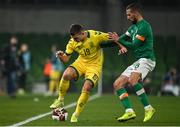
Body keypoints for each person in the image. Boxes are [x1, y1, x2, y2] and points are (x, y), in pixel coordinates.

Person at [50, 24, 127, 122]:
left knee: (87, 87)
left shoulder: (95, 35)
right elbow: (66, 59)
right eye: (73, 38)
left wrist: (122, 46)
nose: (75, 40)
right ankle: (60, 100)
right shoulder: (72, 42)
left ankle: (76, 114)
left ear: (82, 33)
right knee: (66, 74)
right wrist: (61, 56)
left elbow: (113, 37)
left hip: (94, 66)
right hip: (81, 63)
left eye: (76, 38)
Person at [109, 3, 156, 122]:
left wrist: (119, 40)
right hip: (139, 60)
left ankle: (148, 108)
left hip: (148, 59)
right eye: (126, 15)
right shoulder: (132, 28)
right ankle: (129, 112)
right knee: (117, 84)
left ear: (136, 13)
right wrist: (116, 44)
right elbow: (122, 38)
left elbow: (134, 45)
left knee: (133, 80)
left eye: (129, 14)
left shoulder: (144, 27)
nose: (127, 17)